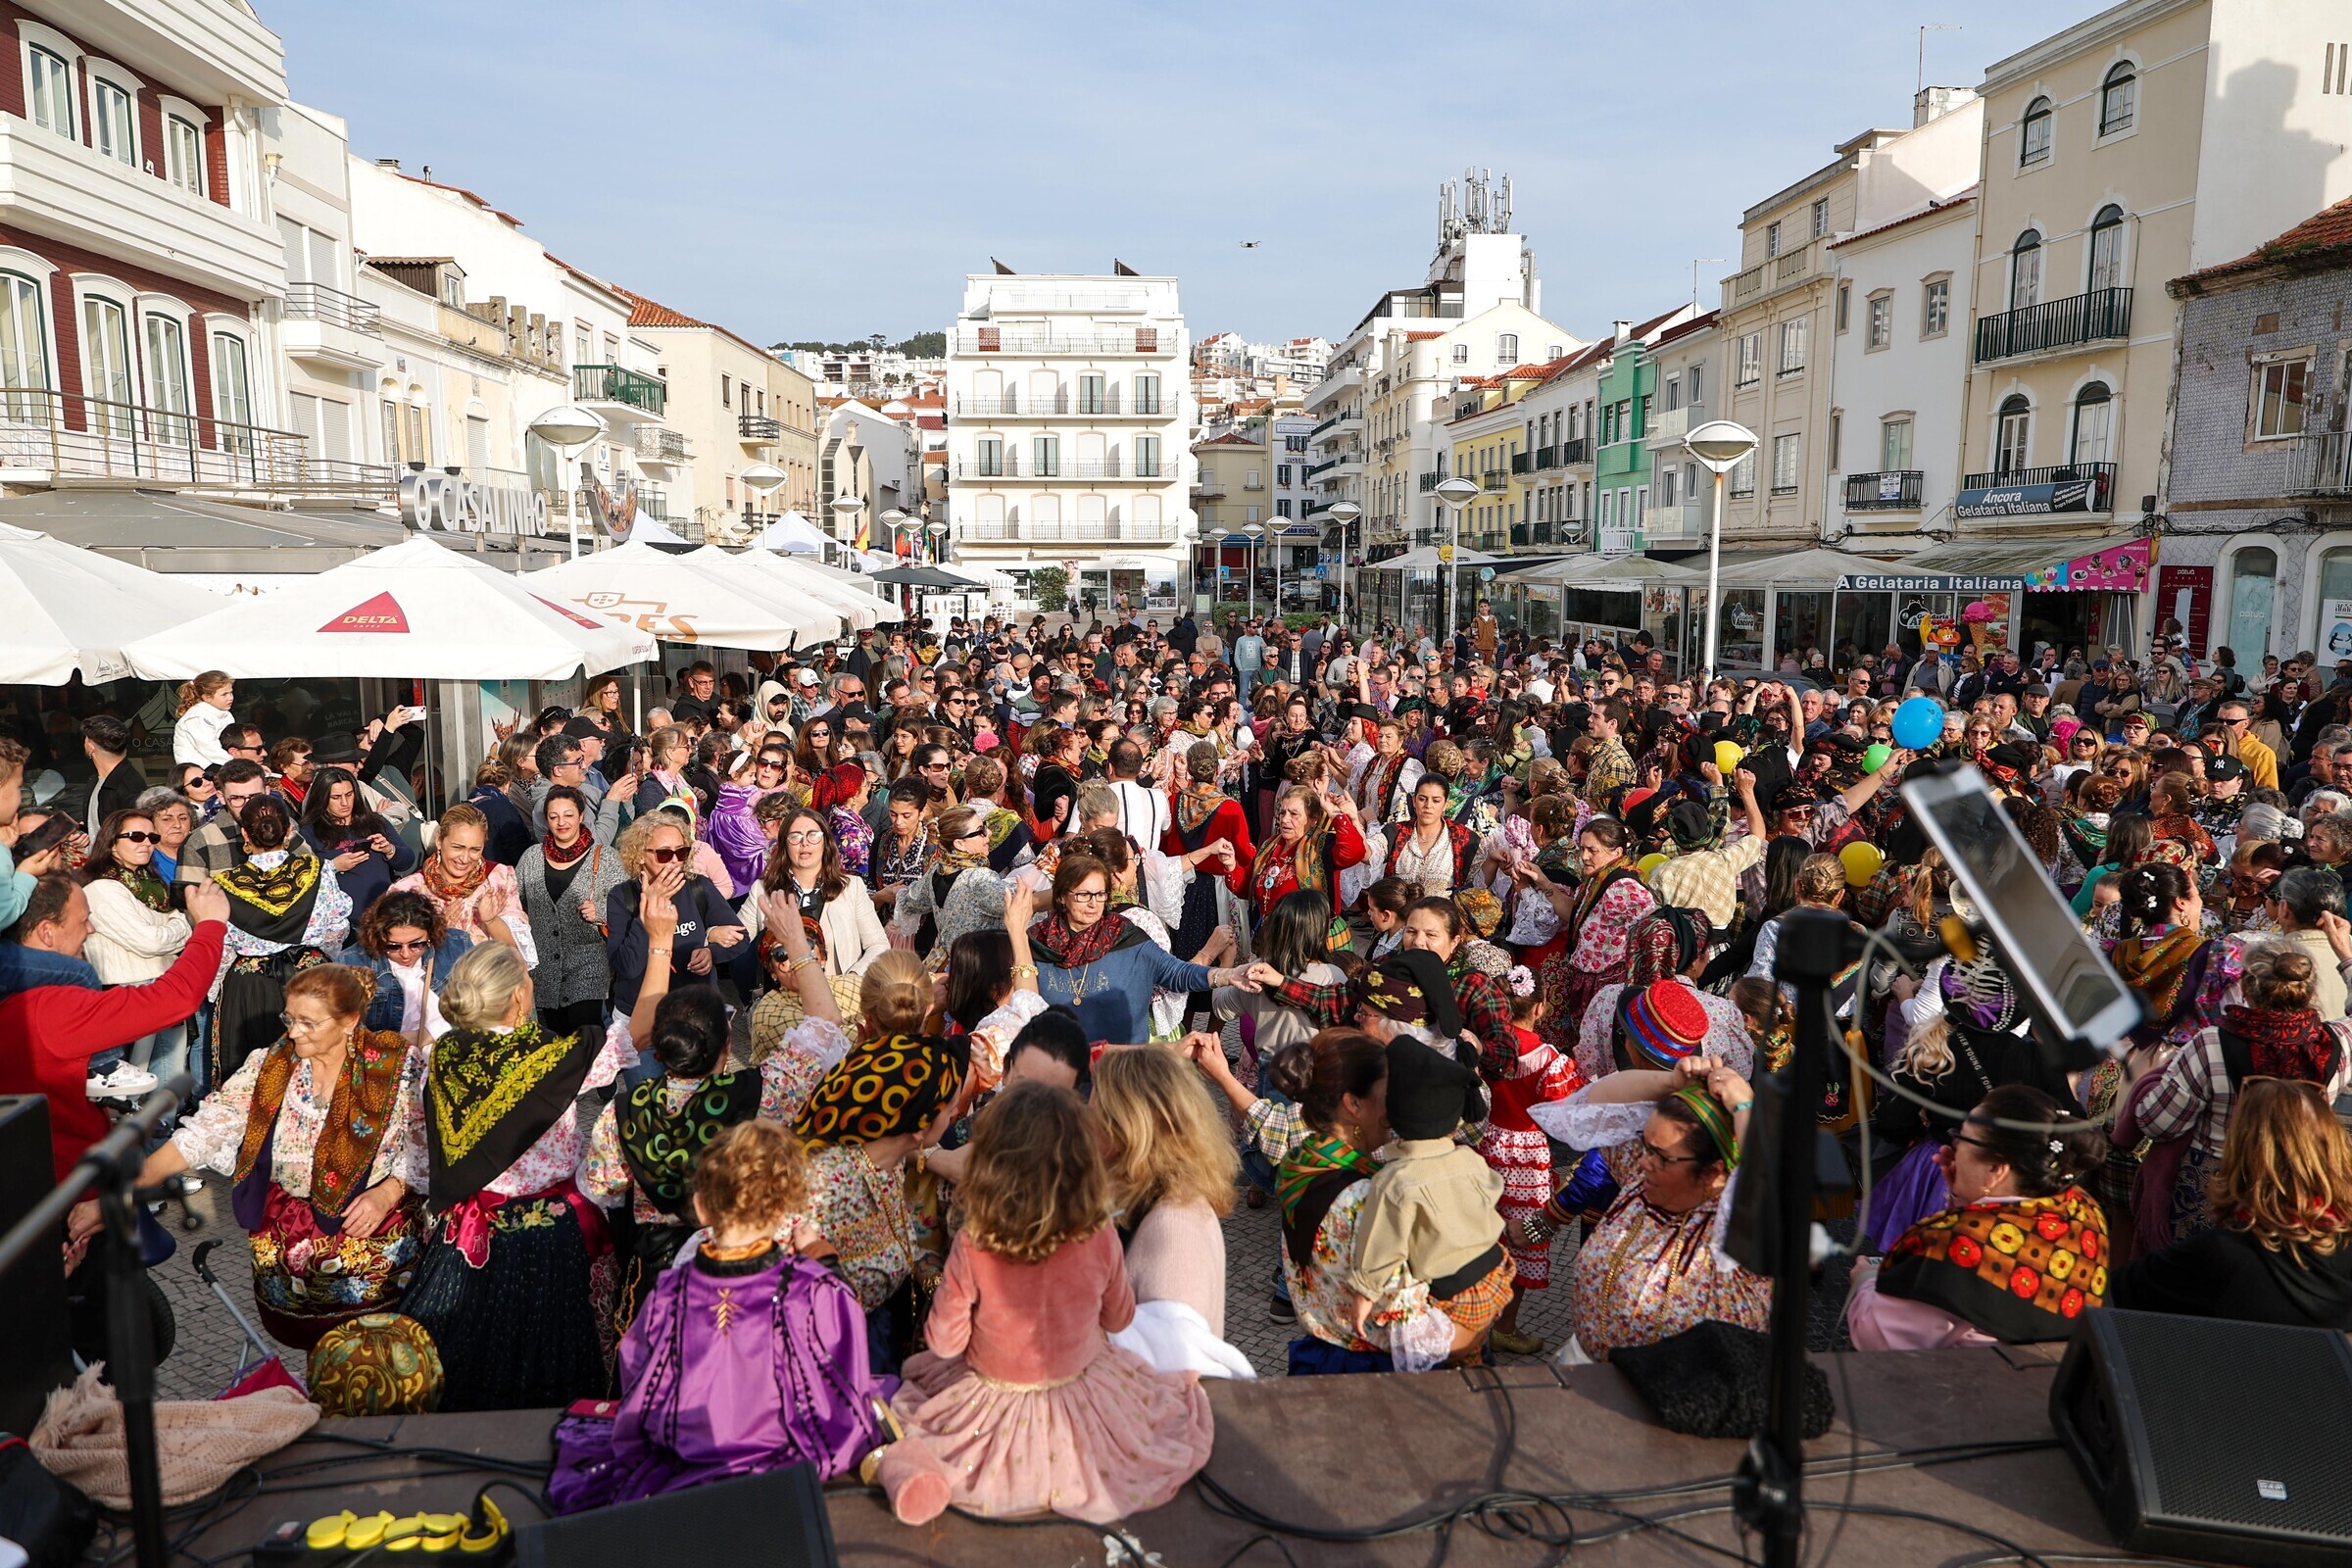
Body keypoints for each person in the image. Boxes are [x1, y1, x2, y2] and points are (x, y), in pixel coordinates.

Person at [887, 1079, 1215, 1524]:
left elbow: (944, 1345)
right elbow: (1119, 1320)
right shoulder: (1098, 1233)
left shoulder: (973, 1244)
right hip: (1084, 1392)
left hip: (990, 1399)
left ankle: (912, 1477)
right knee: (1154, 1426)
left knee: (915, 1429)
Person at [550, 1120, 896, 1513]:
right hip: (784, 1457)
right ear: (787, 1210)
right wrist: (824, 1260)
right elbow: (842, 1380)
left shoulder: (670, 1291)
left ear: (700, 1206)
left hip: (686, 1451)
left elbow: (638, 1373)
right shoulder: (814, 1290)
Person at [401, 941, 635, 1410]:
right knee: (564, 1352)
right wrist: (661, 937)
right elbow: (639, 1031)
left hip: (470, 1233)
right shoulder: (556, 1058)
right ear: (519, 1000)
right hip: (555, 1234)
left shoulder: (444, 1058)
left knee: (472, 1351)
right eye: (527, 980)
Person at [137, 966, 421, 1348]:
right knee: (318, 1362)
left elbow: (427, 1143)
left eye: (308, 1022)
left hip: (371, 1240)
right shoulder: (271, 1065)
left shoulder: (397, 1067)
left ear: (349, 1021)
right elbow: (209, 1128)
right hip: (289, 1241)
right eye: (289, 1018)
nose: (293, 1032)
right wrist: (133, 1182)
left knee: (373, 1360)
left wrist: (388, 1191)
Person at [1530, 1055, 1772, 1362]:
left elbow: (1768, 1186)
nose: (1644, 1161)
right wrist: (1670, 1083)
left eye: (1661, 1156)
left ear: (1712, 1172)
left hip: (1668, 1401)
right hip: (1586, 1375)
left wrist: (1744, 1105)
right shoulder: (1640, 1181)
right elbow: (1594, 1101)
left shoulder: (1732, 1232)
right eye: (1645, 1145)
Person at [2118, 941, 2350, 1253]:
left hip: (2214, 1190)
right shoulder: (2338, 1042)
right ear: (2309, 991)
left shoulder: (2211, 1044)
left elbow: (2160, 1125)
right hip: (2299, 1189)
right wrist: (2347, 958)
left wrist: (2150, 1085)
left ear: (2244, 987)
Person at [0, 875, 228, 1180]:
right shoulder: (50, 1010)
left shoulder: (20, 997)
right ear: (47, 932)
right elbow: (174, 999)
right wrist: (210, 926)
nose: (91, 929)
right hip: (69, 1191)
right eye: (83, 920)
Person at [1848, 1085, 2111, 1348]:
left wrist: (1865, 1280)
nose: (1953, 1147)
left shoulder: (1952, 1246)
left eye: (1962, 1138)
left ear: (1996, 1168)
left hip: (1967, 1382)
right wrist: (1965, 1200)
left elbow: (1877, 1337)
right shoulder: (2082, 1208)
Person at [2112, 1077, 2352, 1329]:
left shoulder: (2217, 1254)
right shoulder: (2342, 1244)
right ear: (2332, 1147)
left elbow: (2107, 1294)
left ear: (2241, 1151)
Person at [1344, 1037, 1512, 1364]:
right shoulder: (1469, 1159)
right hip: (1496, 1271)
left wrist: (1364, 1293)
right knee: (1476, 1352)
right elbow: (1492, 1190)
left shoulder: (1395, 1181)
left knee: (1451, 1364)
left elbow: (1380, 1246)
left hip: (1454, 1291)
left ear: (1394, 1118)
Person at [1091, 1045, 1252, 1379]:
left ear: (1128, 1126)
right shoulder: (1145, 1195)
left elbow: (1177, 1368)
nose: (1084, 1117)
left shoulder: (1176, 1227)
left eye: (1096, 1107)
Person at [1028, 855, 1255, 1045]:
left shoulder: (1126, 936)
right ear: (1060, 897)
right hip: (1061, 1065)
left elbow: (1176, 973)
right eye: (1083, 895)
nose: (1093, 904)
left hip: (1122, 1067)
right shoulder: (1037, 943)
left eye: (1100, 895)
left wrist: (1225, 975)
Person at [211, 795, 352, 1081]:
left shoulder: (225, 884)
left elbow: (220, 948)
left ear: (245, 834)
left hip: (250, 989)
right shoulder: (318, 871)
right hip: (312, 978)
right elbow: (336, 929)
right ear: (288, 830)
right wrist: (326, 960)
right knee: (319, 1072)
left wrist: (214, 993)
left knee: (253, 1078)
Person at [78, 808, 194, 1099]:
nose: (146, 842)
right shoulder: (103, 888)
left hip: (163, 985)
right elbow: (152, 941)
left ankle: (162, 1136)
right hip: (127, 992)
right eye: (136, 836)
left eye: (152, 836)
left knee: (170, 1076)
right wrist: (181, 921)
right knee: (131, 1088)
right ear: (111, 842)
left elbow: (162, 936)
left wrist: (175, 925)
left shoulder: (151, 884)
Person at [604, 812, 746, 1012]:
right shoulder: (622, 896)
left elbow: (741, 937)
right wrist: (649, 909)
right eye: (663, 854)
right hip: (640, 1013)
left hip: (695, 1008)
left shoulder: (699, 887)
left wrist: (711, 952)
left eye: (681, 852)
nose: (673, 861)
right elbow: (627, 966)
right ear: (639, 855)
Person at [514, 786, 627, 1035]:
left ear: (581, 815)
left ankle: (600, 1073)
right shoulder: (531, 858)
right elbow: (515, 904)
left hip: (590, 962)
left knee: (586, 1031)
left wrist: (600, 911)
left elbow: (629, 905)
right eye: (554, 817)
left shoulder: (606, 857)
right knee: (559, 1036)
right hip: (545, 968)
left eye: (568, 815)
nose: (561, 822)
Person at [749, 808, 890, 977]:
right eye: (795, 836)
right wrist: (713, 936)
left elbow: (878, 945)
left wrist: (853, 976)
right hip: (784, 998)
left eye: (813, 835)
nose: (804, 842)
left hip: (839, 996)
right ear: (784, 844)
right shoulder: (762, 889)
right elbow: (736, 937)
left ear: (825, 842)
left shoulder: (852, 887)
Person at [389, 804, 523, 953]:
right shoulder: (407, 891)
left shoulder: (498, 878)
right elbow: (398, 957)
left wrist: (491, 921)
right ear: (439, 840)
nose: (465, 859)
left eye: (475, 849)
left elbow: (519, 949)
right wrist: (438, 931)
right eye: (457, 847)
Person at [299, 765, 415, 930]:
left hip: (384, 917)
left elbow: (407, 861)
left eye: (349, 794)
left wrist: (390, 849)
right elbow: (302, 875)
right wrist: (334, 866)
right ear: (323, 799)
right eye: (336, 797)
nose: (344, 803)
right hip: (339, 924)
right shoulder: (311, 831)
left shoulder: (375, 822)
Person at [354, 891, 470, 1048]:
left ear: (431, 933)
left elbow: (486, 1002)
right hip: (390, 1061)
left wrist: (431, 1033)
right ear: (377, 938)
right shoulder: (353, 962)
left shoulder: (457, 945)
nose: (405, 954)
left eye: (417, 944)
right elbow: (346, 1032)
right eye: (393, 946)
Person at [889, 804, 1005, 957]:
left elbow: (912, 900)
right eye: (980, 831)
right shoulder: (979, 878)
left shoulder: (939, 867)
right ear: (959, 844)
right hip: (977, 969)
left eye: (985, 826)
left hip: (946, 963)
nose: (988, 833)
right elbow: (1021, 905)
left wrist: (893, 893)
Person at [172, 671, 238, 767]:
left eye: (231, 693)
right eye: (224, 694)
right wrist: (239, 765)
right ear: (207, 697)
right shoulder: (197, 717)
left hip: (219, 764)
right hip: (198, 770)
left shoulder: (226, 715)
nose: (230, 698)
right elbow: (211, 750)